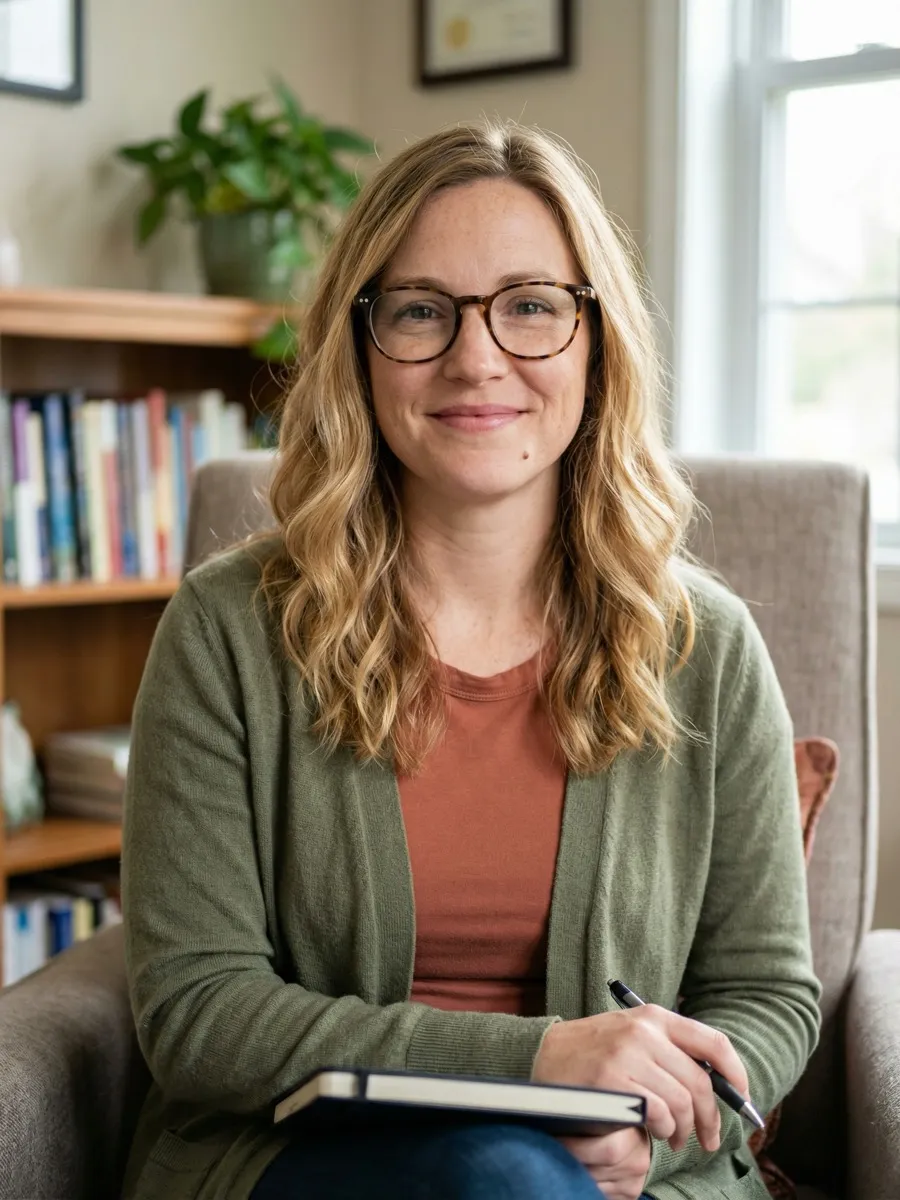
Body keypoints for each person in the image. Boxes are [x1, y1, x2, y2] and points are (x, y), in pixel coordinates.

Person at [120, 119, 821, 1200]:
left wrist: (653, 1131)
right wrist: (540, 1063)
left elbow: (768, 995)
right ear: (362, 345)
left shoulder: (708, 646)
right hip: (304, 1165)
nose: (476, 356)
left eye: (532, 305)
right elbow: (197, 1013)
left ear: (598, 340)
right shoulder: (228, 631)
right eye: (420, 311)